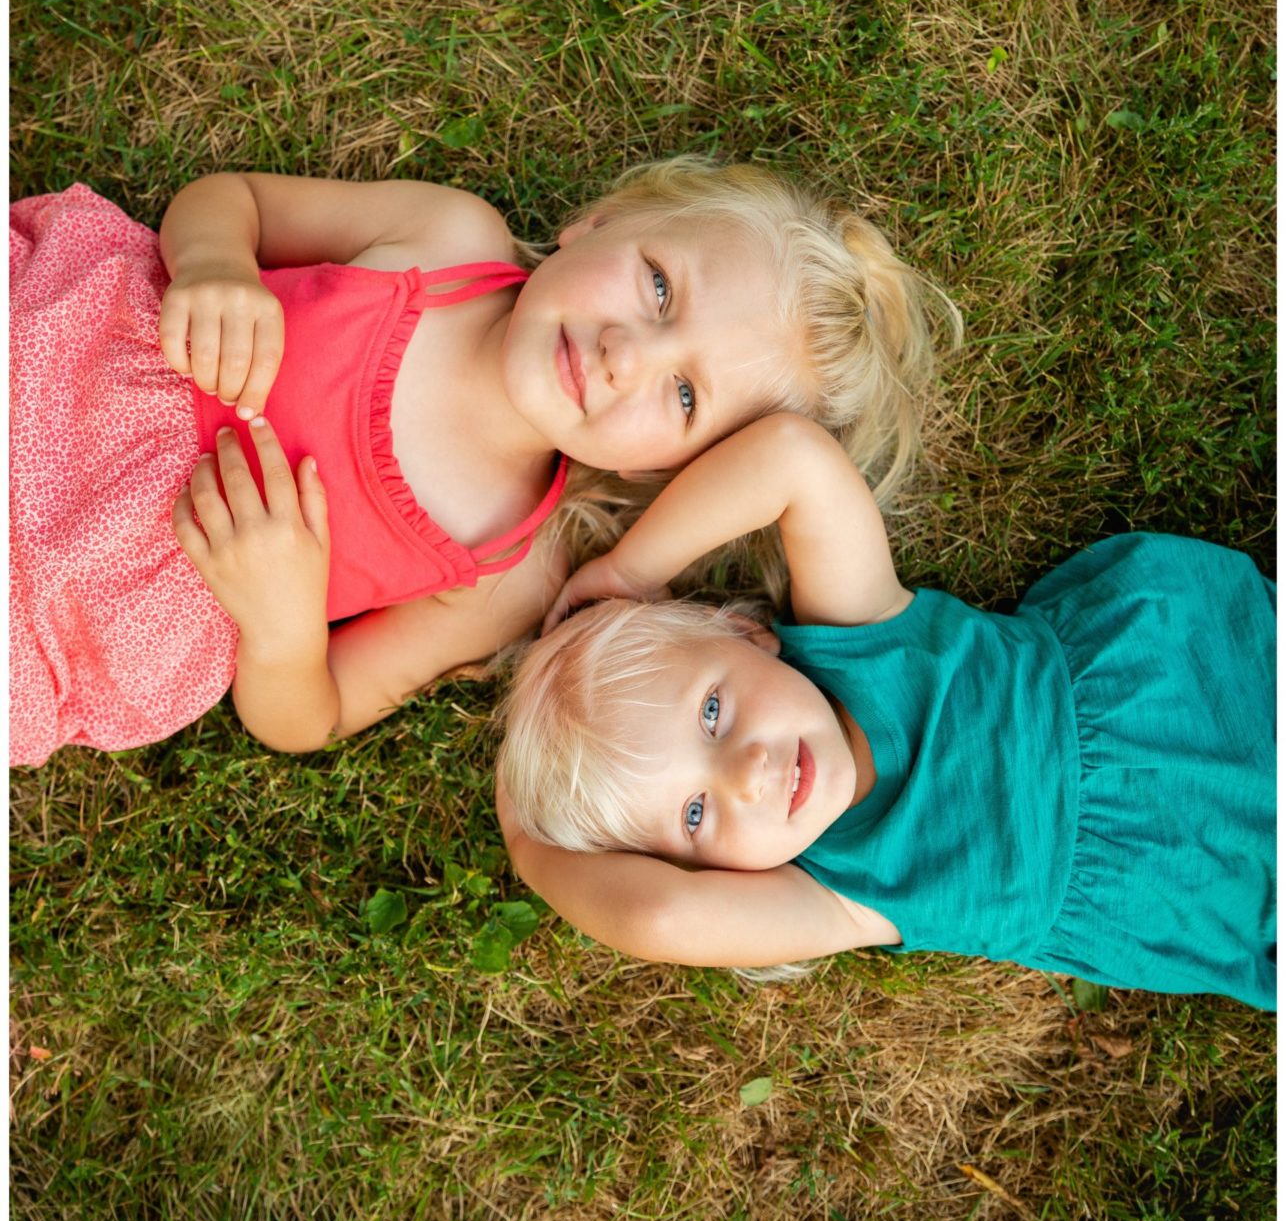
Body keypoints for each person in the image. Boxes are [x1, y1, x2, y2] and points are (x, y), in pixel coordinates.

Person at [10, 157, 956, 766]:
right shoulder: (446, 240)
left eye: (684, 398)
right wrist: (216, 261)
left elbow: (312, 716)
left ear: (659, 474)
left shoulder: (505, 570)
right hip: (69, 354)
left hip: (85, 593)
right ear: (599, 221)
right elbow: (234, 200)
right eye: (660, 287)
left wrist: (285, 625)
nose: (631, 354)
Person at [496, 412, 1276, 1010]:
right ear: (700, 870)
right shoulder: (839, 895)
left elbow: (794, 459)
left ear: (744, 634)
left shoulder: (858, 636)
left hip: (1179, 681)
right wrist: (529, 849)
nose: (750, 774)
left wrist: (631, 568)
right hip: (1189, 877)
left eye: (712, 713)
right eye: (695, 815)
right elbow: (661, 920)